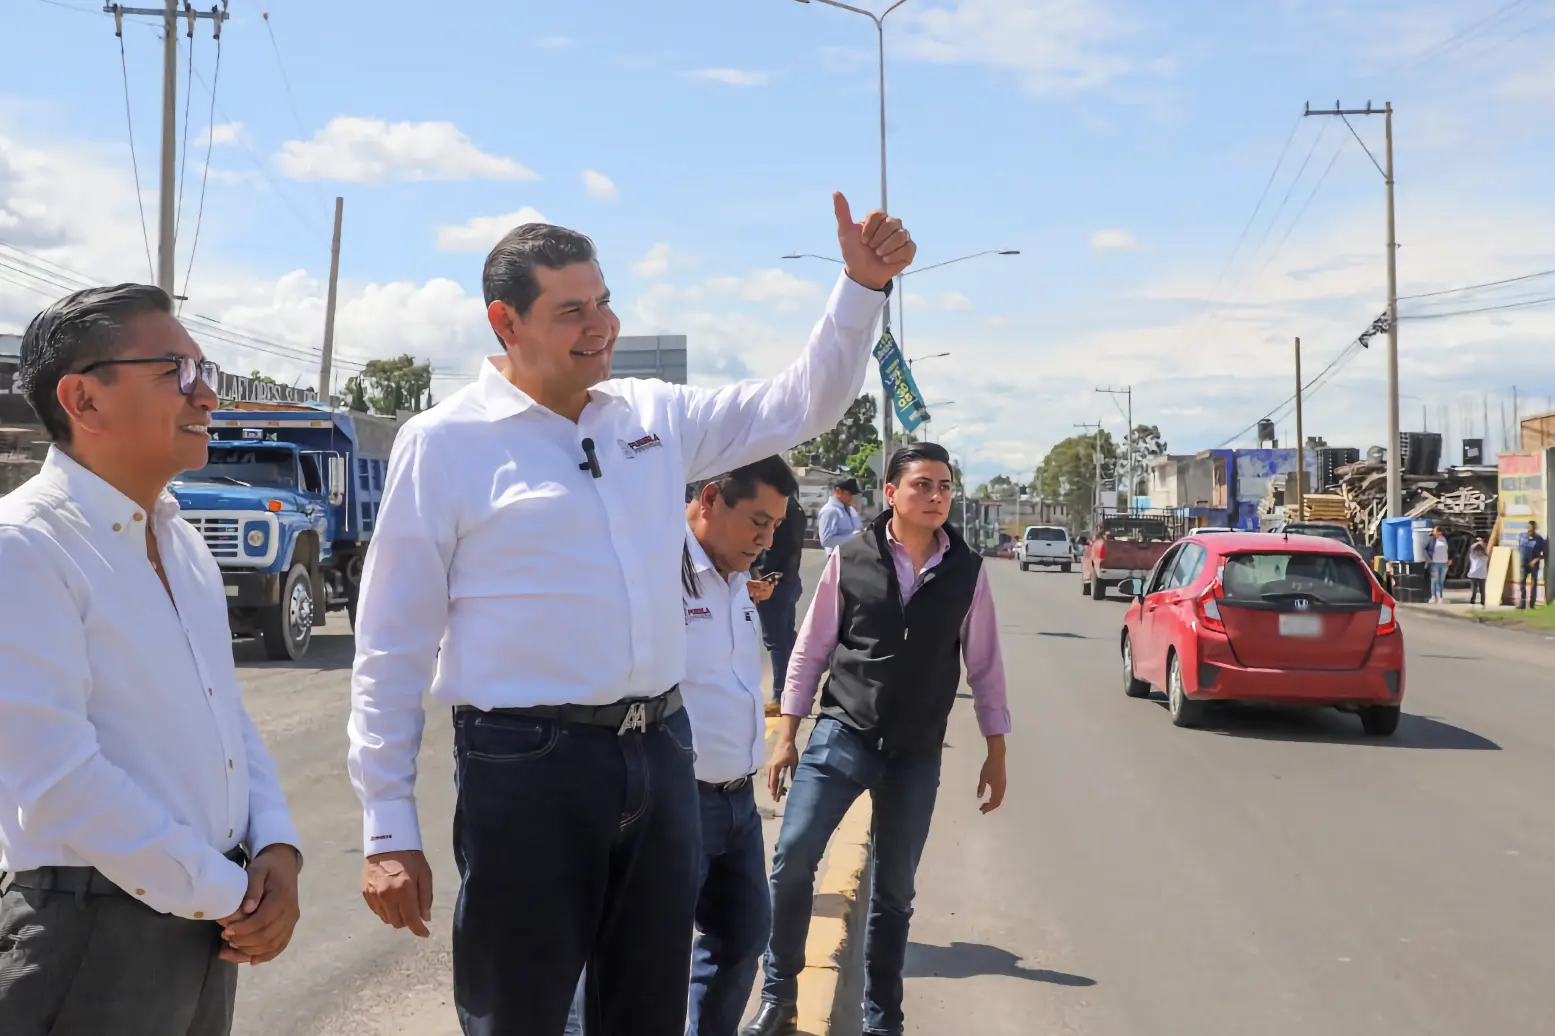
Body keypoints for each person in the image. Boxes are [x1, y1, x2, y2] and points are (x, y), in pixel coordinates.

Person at [348, 194, 915, 1036]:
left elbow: (801, 405)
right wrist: (387, 826)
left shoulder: (651, 417)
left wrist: (860, 288)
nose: (600, 325)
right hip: (527, 768)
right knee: (521, 1013)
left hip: (659, 754)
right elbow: (391, 644)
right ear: (505, 321)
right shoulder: (445, 444)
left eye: (604, 301)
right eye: (571, 311)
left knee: (646, 1011)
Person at [0, 285, 302, 1036]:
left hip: (203, 921)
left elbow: (224, 712)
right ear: (83, 399)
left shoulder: (181, 541)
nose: (207, 396)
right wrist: (226, 891)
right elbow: (57, 780)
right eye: (175, 371)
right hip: (90, 935)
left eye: (205, 371)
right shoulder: (25, 547)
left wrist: (276, 844)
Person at [744, 442, 1010, 1036]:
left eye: (944, 486)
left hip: (915, 752)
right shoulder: (851, 558)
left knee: (894, 894)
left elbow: (985, 665)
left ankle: (883, 1020)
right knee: (792, 859)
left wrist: (996, 749)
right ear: (891, 493)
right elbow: (810, 651)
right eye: (922, 485)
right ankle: (779, 995)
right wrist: (788, 735)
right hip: (843, 734)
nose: (936, 496)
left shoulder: (968, 572)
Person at [565, 458, 800, 1036]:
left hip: (737, 801)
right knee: (640, 955)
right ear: (710, 499)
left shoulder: (737, 577)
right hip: (673, 799)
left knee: (743, 937)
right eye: (758, 522)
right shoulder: (656, 568)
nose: (767, 540)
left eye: (775, 527)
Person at [756, 493, 809, 715]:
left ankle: (780, 696)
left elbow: (772, 549)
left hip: (774, 582)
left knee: (777, 641)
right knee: (786, 639)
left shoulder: (780, 507)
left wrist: (760, 575)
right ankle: (797, 688)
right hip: (789, 579)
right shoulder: (795, 508)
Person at [817, 476, 863, 553]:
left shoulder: (850, 509)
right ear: (838, 491)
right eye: (849, 494)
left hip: (853, 555)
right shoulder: (829, 511)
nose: (852, 497)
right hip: (839, 557)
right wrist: (854, 538)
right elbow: (826, 540)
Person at [1518, 520, 1548, 608]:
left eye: (1531, 530)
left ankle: (1532, 604)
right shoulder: (1522, 536)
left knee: (1533, 584)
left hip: (1534, 565)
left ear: (1535, 529)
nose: (1529, 531)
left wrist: (1536, 560)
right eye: (1528, 529)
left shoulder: (1539, 539)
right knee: (1522, 583)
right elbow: (1520, 548)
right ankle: (1522, 603)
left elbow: (1545, 554)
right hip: (1523, 564)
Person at [1427, 527, 1450, 604]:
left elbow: (1451, 550)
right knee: (1434, 580)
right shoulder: (1432, 540)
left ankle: (1440, 597)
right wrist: (1428, 557)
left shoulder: (1446, 539)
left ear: (1440, 532)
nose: (1433, 532)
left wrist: (1450, 559)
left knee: (1441, 581)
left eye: (1435, 531)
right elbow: (1426, 549)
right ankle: (1433, 597)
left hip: (1444, 563)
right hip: (1435, 563)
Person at [1467, 537, 1490, 606]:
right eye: (1477, 551)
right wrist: (1478, 543)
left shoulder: (1485, 557)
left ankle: (1482, 602)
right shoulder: (1473, 557)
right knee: (1474, 590)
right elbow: (1472, 548)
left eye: (1480, 551)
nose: (1478, 552)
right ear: (1475, 552)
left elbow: (1485, 549)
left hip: (1482, 576)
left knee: (1482, 590)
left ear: (1483, 552)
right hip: (1473, 575)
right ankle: (1472, 600)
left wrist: (1482, 543)